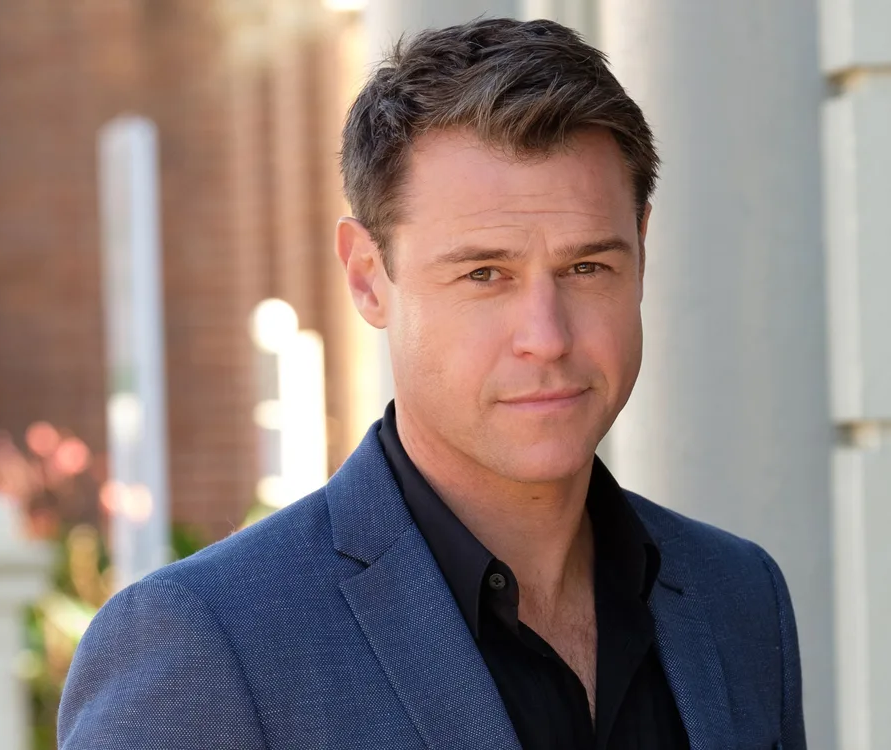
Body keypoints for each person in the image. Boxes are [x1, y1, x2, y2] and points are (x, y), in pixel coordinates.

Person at [59, 18, 805, 750]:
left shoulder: (737, 598)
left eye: (587, 267)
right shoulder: (208, 645)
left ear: (640, 251)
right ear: (367, 277)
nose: (546, 336)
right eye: (485, 274)